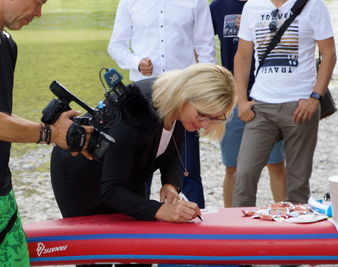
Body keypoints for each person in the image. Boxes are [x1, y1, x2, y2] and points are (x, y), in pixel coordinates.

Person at [0, 0, 94, 266]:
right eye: (37, 2)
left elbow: (1, 116)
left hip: (2, 193)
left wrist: (59, 132)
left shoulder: (7, 43)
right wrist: (48, 134)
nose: (39, 13)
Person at [51, 63, 237, 222]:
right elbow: (111, 190)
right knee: (89, 252)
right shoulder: (137, 109)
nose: (204, 125)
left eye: (213, 119)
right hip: (80, 175)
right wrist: (163, 210)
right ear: (185, 95)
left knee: (138, 252)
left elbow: (172, 148)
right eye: (202, 115)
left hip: (127, 175)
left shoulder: (180, 108)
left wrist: (170, 184)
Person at [107, 0, 217, 208]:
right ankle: (139, 228)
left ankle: (196, 224)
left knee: (187, 169)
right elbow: (116, 46)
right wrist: (136, 62)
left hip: (186, 99)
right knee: (137, 172)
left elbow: (206, 50)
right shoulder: (129, 2)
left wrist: (204, 93)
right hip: (143, 100)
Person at [233, 0, 336, 207]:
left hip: (300, 107)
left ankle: (295, 236)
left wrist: (315, 97)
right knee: (244, 174)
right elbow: (243, 56)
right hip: (260, 107)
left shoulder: (313, 5)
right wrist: (242, 100)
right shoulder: (252, 6)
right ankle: (241, 234)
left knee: (298, 182)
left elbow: (329, 53)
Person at [209, 0, 287, 208]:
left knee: (276, 164)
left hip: (268, 95)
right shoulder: (218, 7)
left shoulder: (272, 5)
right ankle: (232, 224)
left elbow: (289, 43)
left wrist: (257, 27)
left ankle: (288, 219)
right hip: (233, 97)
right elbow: (201, 45)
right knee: (232, 167)